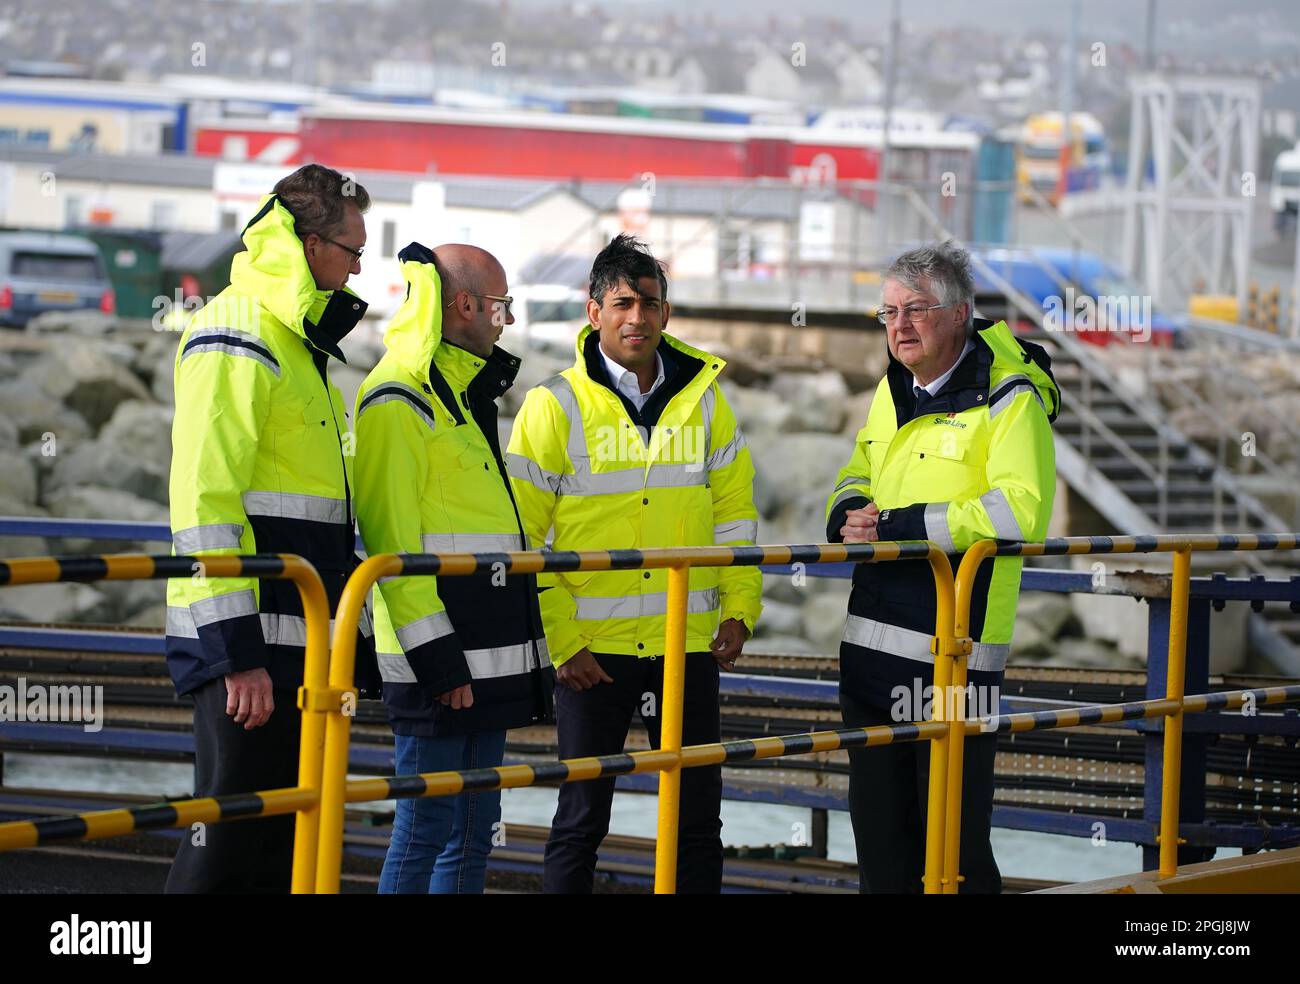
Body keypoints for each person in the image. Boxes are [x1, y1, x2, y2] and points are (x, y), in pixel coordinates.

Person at [507, 234, 762, 894]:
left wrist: (740, 607)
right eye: (622, 303)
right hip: (595, 654)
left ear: (667, 313)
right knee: (582, 816)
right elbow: (522, 540)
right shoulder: (552, 406)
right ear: (594, 313)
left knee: (697, 816)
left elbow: (735, 515)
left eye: (650, 303)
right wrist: (561, 641)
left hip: (687, 645)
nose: (638, 318)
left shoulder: (705, 400)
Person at [164, 164, 378, 893]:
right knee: (226, 845)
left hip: (294, 648)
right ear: (311, 245)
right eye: (353, 250)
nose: (358, 267)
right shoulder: (239, 331)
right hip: (251, 655)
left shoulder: (292, 340)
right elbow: (204, 500)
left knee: (279, 847)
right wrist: (235, 654)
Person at [826, 241, 1059, 894]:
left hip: (955, 667)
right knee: (880, 849)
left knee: (952, 851)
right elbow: (859, 469)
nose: (899, 326)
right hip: (870, 660)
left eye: (917, 310)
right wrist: (847, 511)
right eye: (889, 312)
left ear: (960, 316)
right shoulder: (892, 388)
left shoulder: (1010, 399)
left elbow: (1020, 512)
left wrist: (902, 527)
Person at [354, 242, 554, 893]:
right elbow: (390, 546)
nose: (509, 320)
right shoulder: (397, 399)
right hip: (439, 661)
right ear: (465, 305)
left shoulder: (465, 399)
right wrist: (438, 660)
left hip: (486, 655)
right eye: (503, 306)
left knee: (473, 828)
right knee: (425, 827)